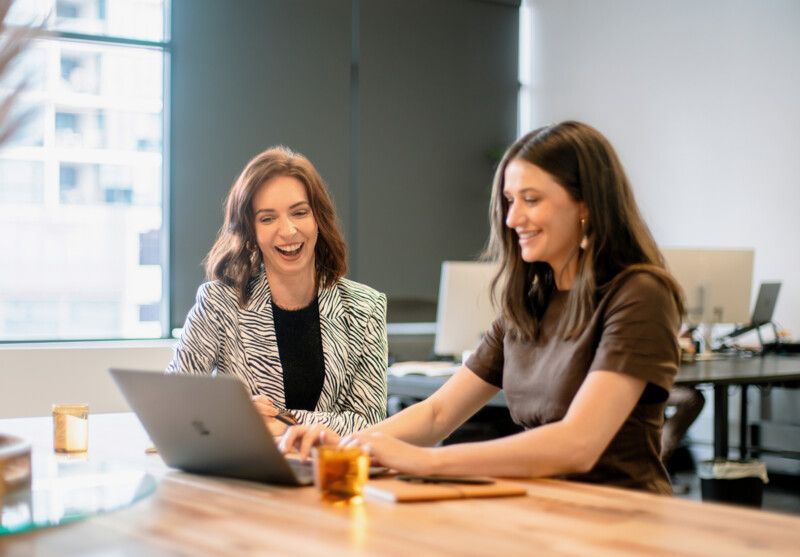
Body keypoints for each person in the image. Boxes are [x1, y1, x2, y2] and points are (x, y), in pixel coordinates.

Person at [282, 121, 685, 494]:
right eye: (510, 200)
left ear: (586, 205)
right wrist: (352, 444)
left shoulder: (639, 294)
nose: (513, 218)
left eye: (531, 199)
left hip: (619, 520)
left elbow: (577, 443)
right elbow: (439, 413)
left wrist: (427, 461)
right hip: (544, 510)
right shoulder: (528, 305)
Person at [167, 146, 388, 437]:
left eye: (299, 213)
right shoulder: (219, 303)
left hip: (326, 474)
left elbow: (371, 423)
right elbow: (174, 404)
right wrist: (235, 415)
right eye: (267, 218)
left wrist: (279, 423)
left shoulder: (365, 308)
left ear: (318, 219)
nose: (288, 231)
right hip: (243, 475)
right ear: (251, 232)